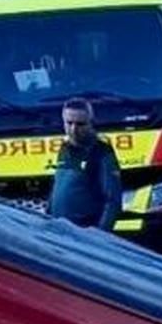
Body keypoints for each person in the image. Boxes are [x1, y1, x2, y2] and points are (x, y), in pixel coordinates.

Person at [48, 97, 122, 231]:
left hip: (85, 234)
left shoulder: (101, 152)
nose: (73, 129)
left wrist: (100, 235)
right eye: (69, 123)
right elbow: (57, 188)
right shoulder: (64, 149)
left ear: (91, 123)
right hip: (60, 231)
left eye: (80, 124)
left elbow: (113, 201)